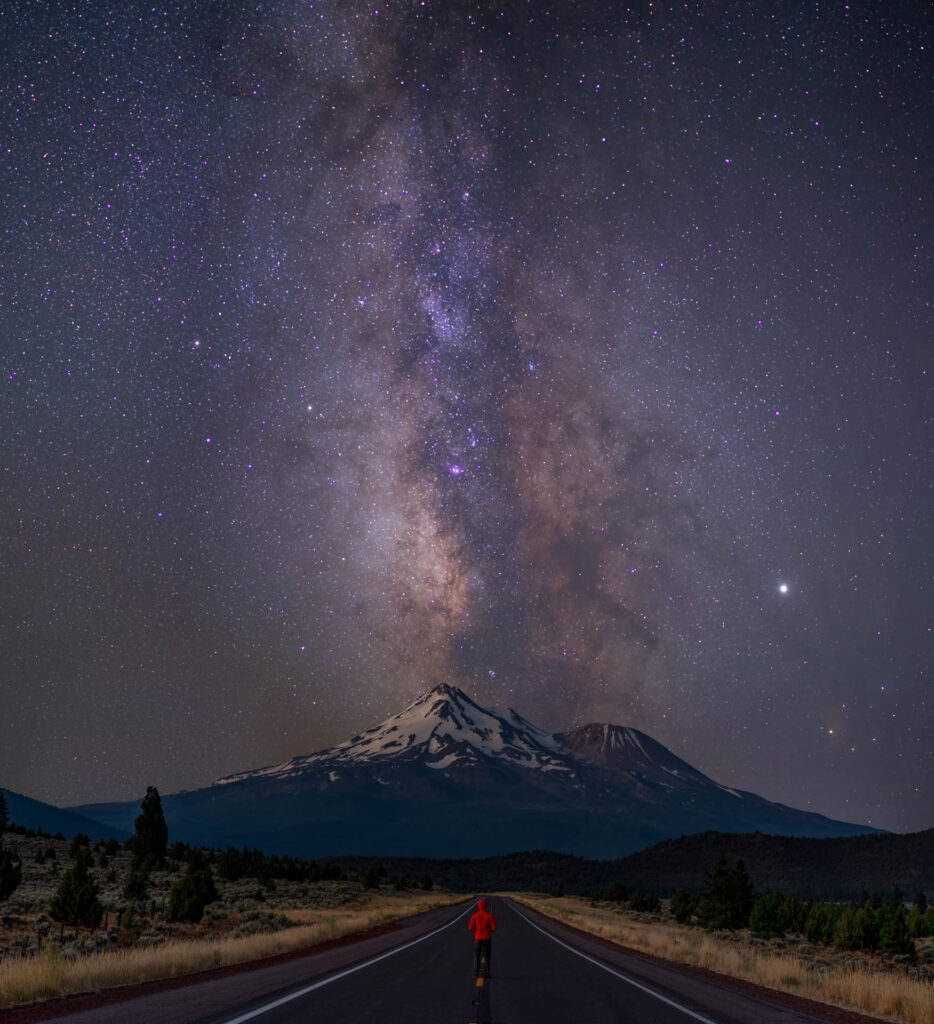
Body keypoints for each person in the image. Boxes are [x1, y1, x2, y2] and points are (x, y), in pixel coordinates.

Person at [468, 898, 497, 978]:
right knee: (487, 956)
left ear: (479, 906)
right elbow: (494, 928)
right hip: (486, 937)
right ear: (486, 906)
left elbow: (470, 927)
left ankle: (475, 973)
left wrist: (476, 931)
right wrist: (488, 930)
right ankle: (487, 973)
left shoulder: (474, 916)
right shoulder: (489, 916)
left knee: (477, 956)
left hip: (478, 937)